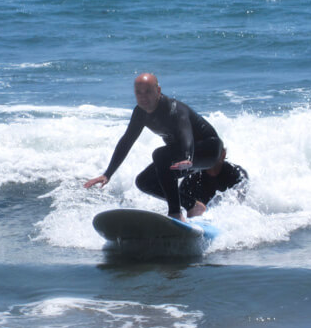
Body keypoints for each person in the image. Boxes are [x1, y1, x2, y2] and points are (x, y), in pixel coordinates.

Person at [83, 73, 225, 221]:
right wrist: (108, 174)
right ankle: (193, 206)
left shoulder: (174, 109)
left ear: (158, 90)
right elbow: (127, 141)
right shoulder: (140, 113)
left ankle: (175, 214)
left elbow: (186, 133)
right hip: (184, 154)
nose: (143, 97)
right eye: (139, 92)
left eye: (148, 92)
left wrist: (186, 157)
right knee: (144, 181)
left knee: (160, 155)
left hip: (208, 149)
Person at [178, 148, 248, 218]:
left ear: (223, 155)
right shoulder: (192, 177)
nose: (209, 157)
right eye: (206, 154)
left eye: (213, 153)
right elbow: (177, 201)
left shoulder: (237, 175)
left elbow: (238, 206)